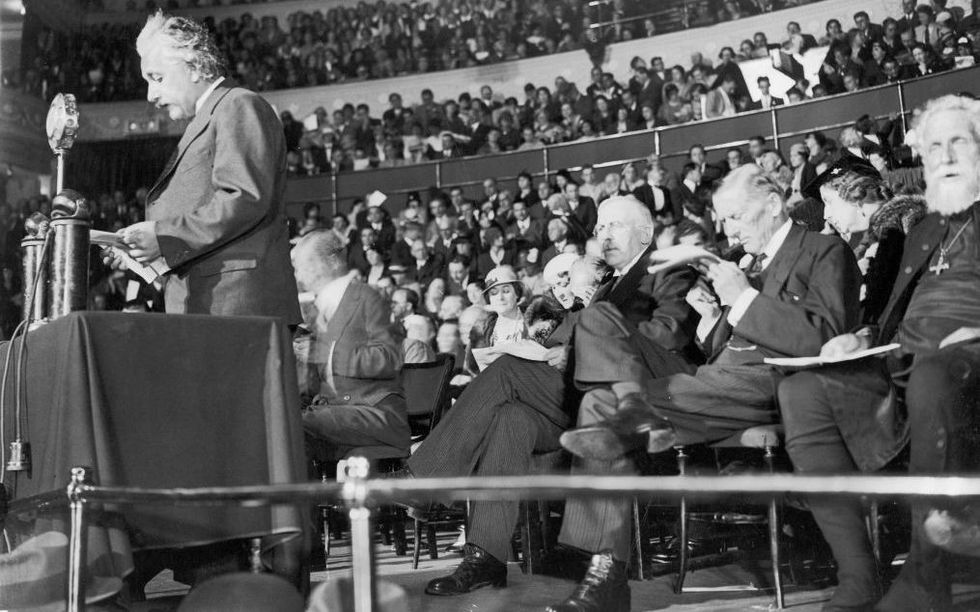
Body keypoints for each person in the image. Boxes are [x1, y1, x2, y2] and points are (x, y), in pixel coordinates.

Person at [548, 164, 861, 612]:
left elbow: (825, 337)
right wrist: (715, 315)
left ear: (773, 204)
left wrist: (744, 299)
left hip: (774, 383)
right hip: (718, 383)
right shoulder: (742, 261)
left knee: (604, 393)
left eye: (735, 216)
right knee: (600, 398)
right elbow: (723, 346)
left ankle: (607, 573)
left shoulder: (824, 250)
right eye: (724, 219)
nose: (728, 228)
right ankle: (606, 573)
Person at [398, 196, 698, 598]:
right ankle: (485, 555)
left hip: (640, 393)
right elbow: (562, 340)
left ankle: (424, 480)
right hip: (581, 397)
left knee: (506, 373)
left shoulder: (666, 271)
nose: (603, 234)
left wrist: (582, 350)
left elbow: (668, 335)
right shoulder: (605, 284)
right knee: (511, 418)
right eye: (600, 228)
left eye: (614, 226)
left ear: (644, 233)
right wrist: (558, 348)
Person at [779, 94, 980, 612]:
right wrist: (863, 336)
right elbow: (892, 310)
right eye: (935, 147)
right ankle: (858, 573)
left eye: (958, 142)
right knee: (801, 390)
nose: (946, 157)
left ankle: (925, 574)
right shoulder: (925, 228)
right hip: (899, 362)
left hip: (959, 368)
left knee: (936, 373)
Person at [114, 12, 299, 323]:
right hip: (213, 304)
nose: (151, 95)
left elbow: (244, 198)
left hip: (237, 306)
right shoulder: (209, 117)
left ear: (195, 66)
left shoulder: (237, 105)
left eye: (157, 78)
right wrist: (147, 254)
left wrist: (163, 236)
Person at [292, 230, 409, 461]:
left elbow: (390, 358)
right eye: (296, 267)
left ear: (333, 261)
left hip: (373, 413)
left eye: (306, 265)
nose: (299, 275)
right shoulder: (314, 310)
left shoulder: (368, 297)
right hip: (329, 410)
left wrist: (328, 356)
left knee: (292, 426)